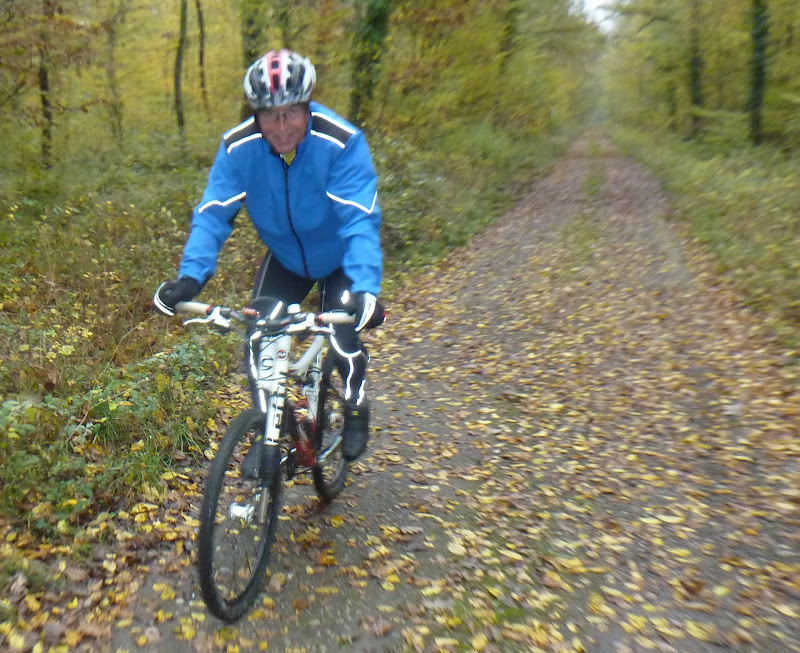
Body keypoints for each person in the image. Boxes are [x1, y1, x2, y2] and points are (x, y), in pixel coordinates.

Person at [153, 48, 383, 461]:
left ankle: (354, 404)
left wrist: (366, 286)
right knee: (258, 337)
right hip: (287, 260)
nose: (281, 127)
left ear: (308, 106)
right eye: (269, 114)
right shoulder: (238, 149)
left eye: (292, 112)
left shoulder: (341, 142)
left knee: (344, 336)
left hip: (341, 258)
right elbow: (212, 216)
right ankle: (270, 431)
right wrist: (190, 278)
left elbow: (359, 220)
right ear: (255, 113)